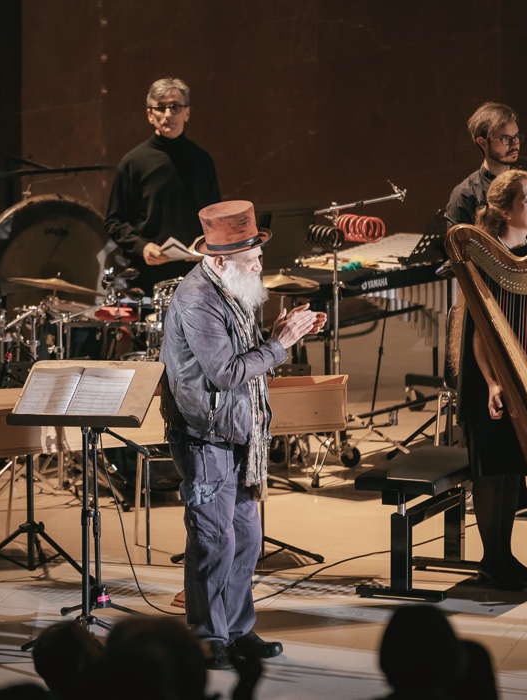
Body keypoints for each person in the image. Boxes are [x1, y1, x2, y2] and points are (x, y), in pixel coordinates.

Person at [160, 199, 325, 669]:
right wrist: (280, 344)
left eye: (257, 256)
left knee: (247, 539)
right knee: (214, 540)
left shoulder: (231, 287)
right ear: (217, 260)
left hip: (238, 432)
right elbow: (226, 372)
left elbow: (244, 355)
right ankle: (207, 637)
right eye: (250, 260)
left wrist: (281, 331)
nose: (258, 266)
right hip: (204, 434)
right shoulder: (196, 299)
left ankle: (237, 629)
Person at [458, 168, 527, 589]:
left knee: (513, 469)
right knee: (493, 471)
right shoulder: (489, 259)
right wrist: (494, 382)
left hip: (519, 378)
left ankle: (503, 556)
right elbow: (477, 333)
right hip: (487, 382)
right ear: (507, 210)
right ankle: (493, 560)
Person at [105, 77, 221, 295]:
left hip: (196, 273)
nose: (168, 115)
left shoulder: (202, 161)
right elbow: (114, 221)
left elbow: (215, 217)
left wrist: (204, 242)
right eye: (160, 108)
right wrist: (142, 247)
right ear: (150, 115)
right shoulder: (133, 162)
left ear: (187, 113)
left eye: (175, 107)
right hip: (148, 276)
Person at [444, 102, 524, 230]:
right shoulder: (465, 194)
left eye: (516, 137)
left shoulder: (525, 185)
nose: (515, 144)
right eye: (505, 138)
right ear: (482, 143)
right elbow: (457, 247)